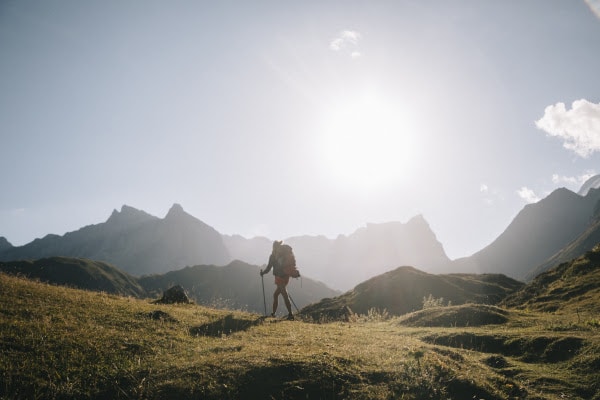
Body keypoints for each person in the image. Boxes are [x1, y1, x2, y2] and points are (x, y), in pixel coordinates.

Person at [260, 240, 295, 320]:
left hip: (280, 277)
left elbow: (269, 268)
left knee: (285, 295)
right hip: (285, 276)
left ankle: (290, 315)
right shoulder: (282, 255)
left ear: (273, 247)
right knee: (276, 295)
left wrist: (263, 273)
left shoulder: (273, 256)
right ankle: (274, 313)